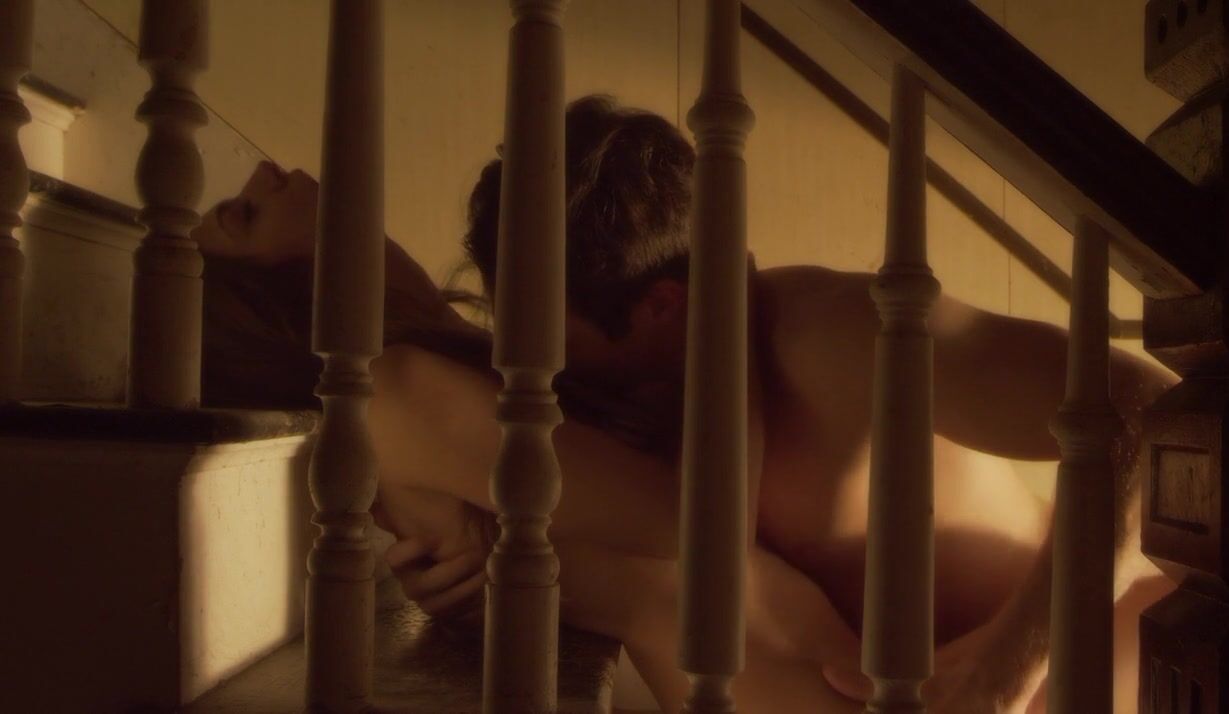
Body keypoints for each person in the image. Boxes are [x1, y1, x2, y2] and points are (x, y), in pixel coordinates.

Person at [193, 96, 1176, 713]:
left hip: (1108, 676)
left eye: (547, 333)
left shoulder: (836, 332)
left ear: (660, 305)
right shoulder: (547, 391)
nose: (531, 358)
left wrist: (1004, 666)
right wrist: (452, 572)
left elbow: (1151, 409)